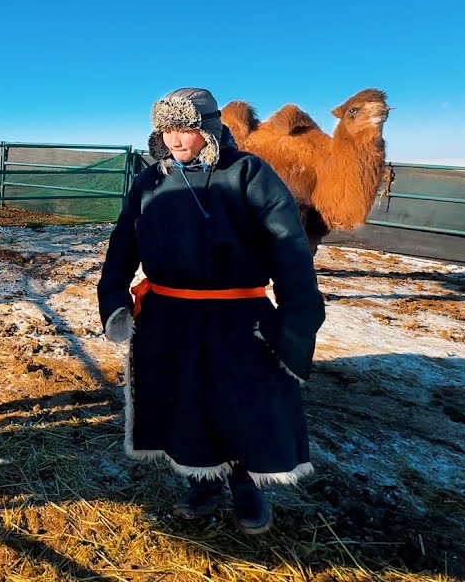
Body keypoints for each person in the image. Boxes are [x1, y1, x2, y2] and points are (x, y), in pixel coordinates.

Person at [97, 88, 325, 534]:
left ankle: (245, 484)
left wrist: (298, 317)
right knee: (184, 399)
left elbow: (289, 247)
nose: (176, 139)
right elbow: (122, 245)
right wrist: (114, 298)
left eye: (186, 128)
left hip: (238, 316)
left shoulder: (249, 173)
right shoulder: (150, 182)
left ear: (209, 128)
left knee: (242, 400)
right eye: (167, 129)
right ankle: (201, 480)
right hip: (168, 314)